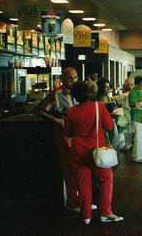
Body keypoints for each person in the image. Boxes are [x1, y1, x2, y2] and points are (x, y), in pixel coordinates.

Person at [64, 81, 123, 224]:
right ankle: (106, 213)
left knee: (83, 182)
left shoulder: (72, 111)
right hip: (96, 150)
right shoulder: (99, 107)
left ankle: (86, 216)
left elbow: (68, 132)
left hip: (77, 150)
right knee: (106, 178)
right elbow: (109, 126)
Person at [33, 67, 82, 212]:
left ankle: (81, 200)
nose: (73, 80)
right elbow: (37, 110)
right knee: (69, 168)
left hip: (78, 133)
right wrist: (56, 120)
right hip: (64, 134)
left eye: (75, 77)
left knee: (80, 168)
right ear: (62, 79)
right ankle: (74, 202)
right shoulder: (56, 94)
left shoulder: (78, 92)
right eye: (70, 78)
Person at [128, 76, 142, 162]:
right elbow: (136, 105)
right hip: (137, 116)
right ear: (136, 84)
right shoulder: (132, 93)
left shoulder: (140, 91)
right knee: (138, 137)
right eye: (141, 85)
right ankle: (138, 157)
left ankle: (140, 155)